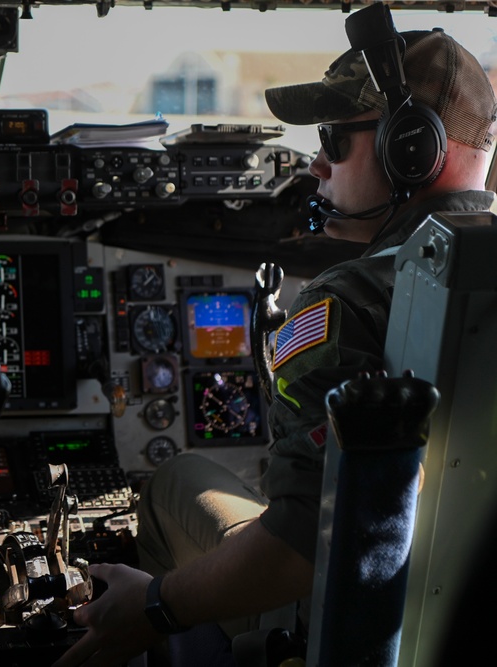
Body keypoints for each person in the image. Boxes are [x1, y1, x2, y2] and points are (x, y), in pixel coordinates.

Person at [53, 10, 497, 667]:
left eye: (333, 139)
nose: (316, 163)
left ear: (412, 145)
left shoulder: (348, 299)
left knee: (172, 481)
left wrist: (156, 605)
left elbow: (302, 545)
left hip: (351, 622)